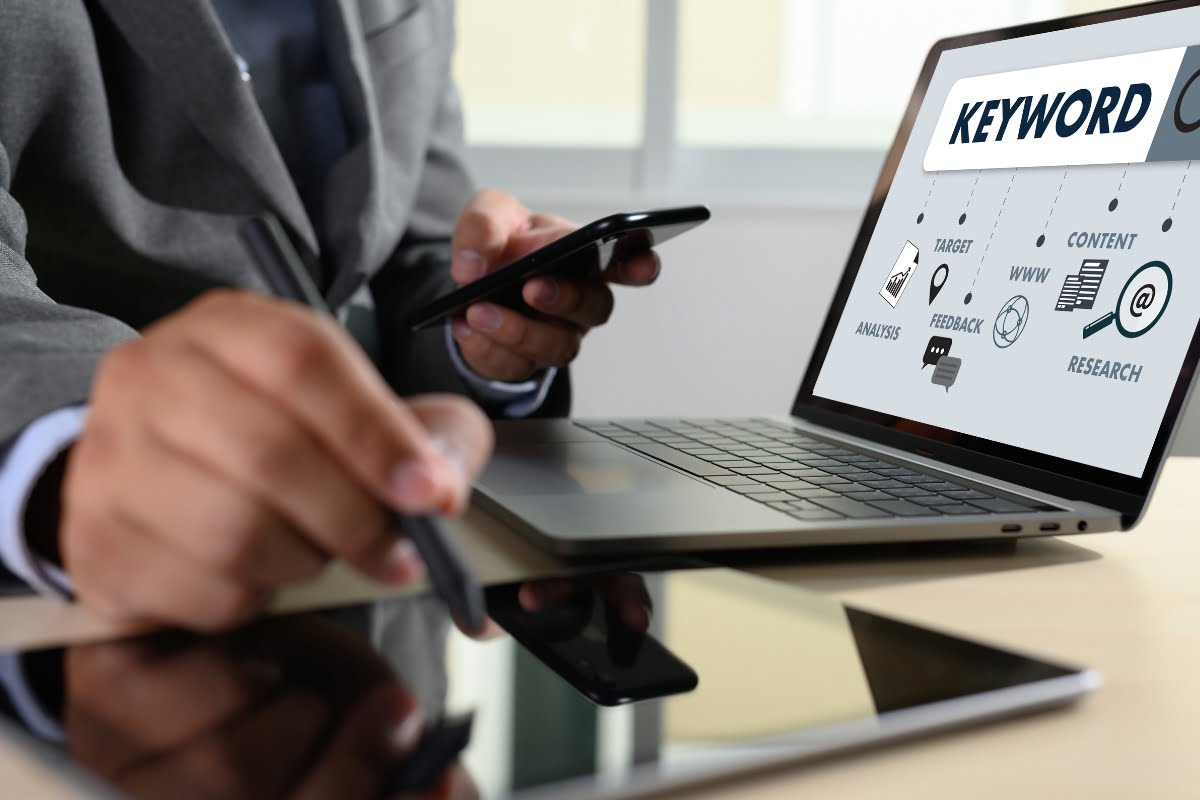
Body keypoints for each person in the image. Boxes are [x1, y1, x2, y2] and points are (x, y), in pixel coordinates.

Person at [0, 0, 661, 630]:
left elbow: (414, 250)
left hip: (391, 607)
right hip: (91, 607)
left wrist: (487, 322)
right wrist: (72, 452)